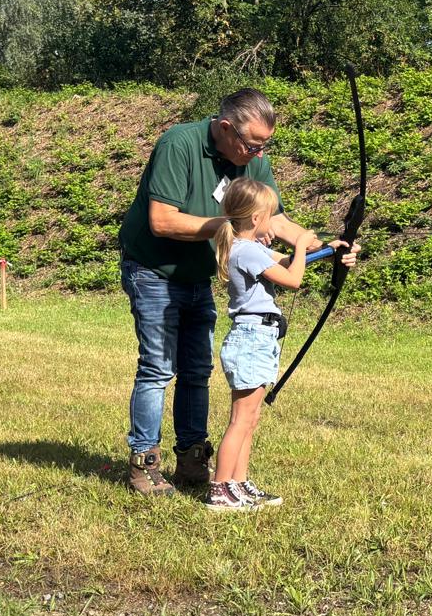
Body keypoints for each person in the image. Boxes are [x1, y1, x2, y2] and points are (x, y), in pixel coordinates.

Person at [115, 88, 355, 496]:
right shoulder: (180, 144)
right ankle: (145, 463)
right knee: (158, 368)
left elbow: (274, 220)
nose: (259, 155)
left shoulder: (251, 160)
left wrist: (327, 246)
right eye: (252, 144)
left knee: (195, 370)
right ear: (226, 129)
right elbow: (162, 220)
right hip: (153, 270)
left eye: (265, 145)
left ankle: (192, 459)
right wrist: (232, 229)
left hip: (197, 275)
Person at [205, 178, 320, 509]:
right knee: (241, 419)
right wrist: (300, 245)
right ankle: (220, 489)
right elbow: (293, 277)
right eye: (270, 216)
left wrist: (330, 251)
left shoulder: (250, 249)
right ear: (256, 219)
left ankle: (238, 483)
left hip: (259, 337)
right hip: (251, 339)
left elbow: (283, 264)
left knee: (250, 418)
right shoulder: (247, 251)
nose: (273, 223)